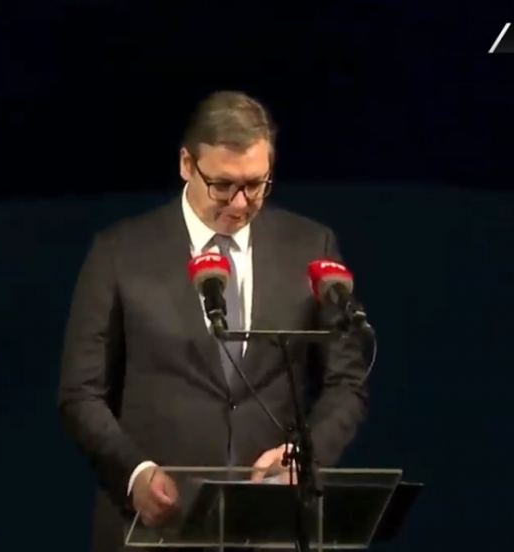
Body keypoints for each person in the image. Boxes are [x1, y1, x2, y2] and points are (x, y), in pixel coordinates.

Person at [58, 90, 369, 552]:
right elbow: (80, 393)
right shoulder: (120, 253)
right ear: (187, 164)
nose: (240, 204)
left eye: (256, 184)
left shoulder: (310, 246)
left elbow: (347, 381)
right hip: (156, 528)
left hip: (272, 528)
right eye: (222, 186)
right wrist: (134, 473)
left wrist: (305, 456)